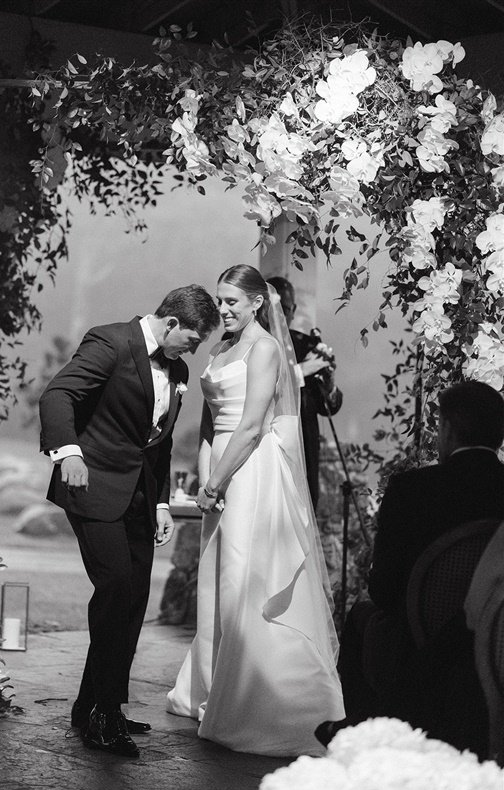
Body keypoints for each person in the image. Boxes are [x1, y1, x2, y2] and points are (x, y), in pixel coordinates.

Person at [166, 264, 344, 756]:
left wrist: (219, 480)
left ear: (256, 303)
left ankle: (255, 697)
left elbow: (249, 427)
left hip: (248, 470)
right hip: (218, 471)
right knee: (219, 578)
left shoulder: (266, 349)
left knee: (245, 575)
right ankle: (209, 679)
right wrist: (205, 475)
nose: (223, 309)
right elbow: (209, 421)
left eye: (231, 302)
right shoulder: (222, 346)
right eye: (220, 300)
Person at [39, 285, 220, 758]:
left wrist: (160, 504)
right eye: (194, 341)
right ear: (172, 323)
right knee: (116, 587)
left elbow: (155, 445)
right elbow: (58, 394)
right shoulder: (111, 342)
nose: (194, 352)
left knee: (134, 599)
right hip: (91, 486)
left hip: (139, 500)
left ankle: (94, 707)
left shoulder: (176, 370)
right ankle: (104, 711)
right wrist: (67, 453)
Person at [318, 380, 504, 752]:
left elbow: (384, 589)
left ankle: (361, 729)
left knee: (362, 612)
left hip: (418, 642)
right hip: (496, 637)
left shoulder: (411, 489)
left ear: (447, 428)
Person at [267, 276, 342, 509]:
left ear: (294, 311)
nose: (280, 315)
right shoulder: (243, 342)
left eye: (286, 309)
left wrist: (328, 383)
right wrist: (302, 370)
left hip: (304, 450)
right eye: (274, 309)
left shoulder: (305, 344)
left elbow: (329, 407)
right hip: (268, 450)